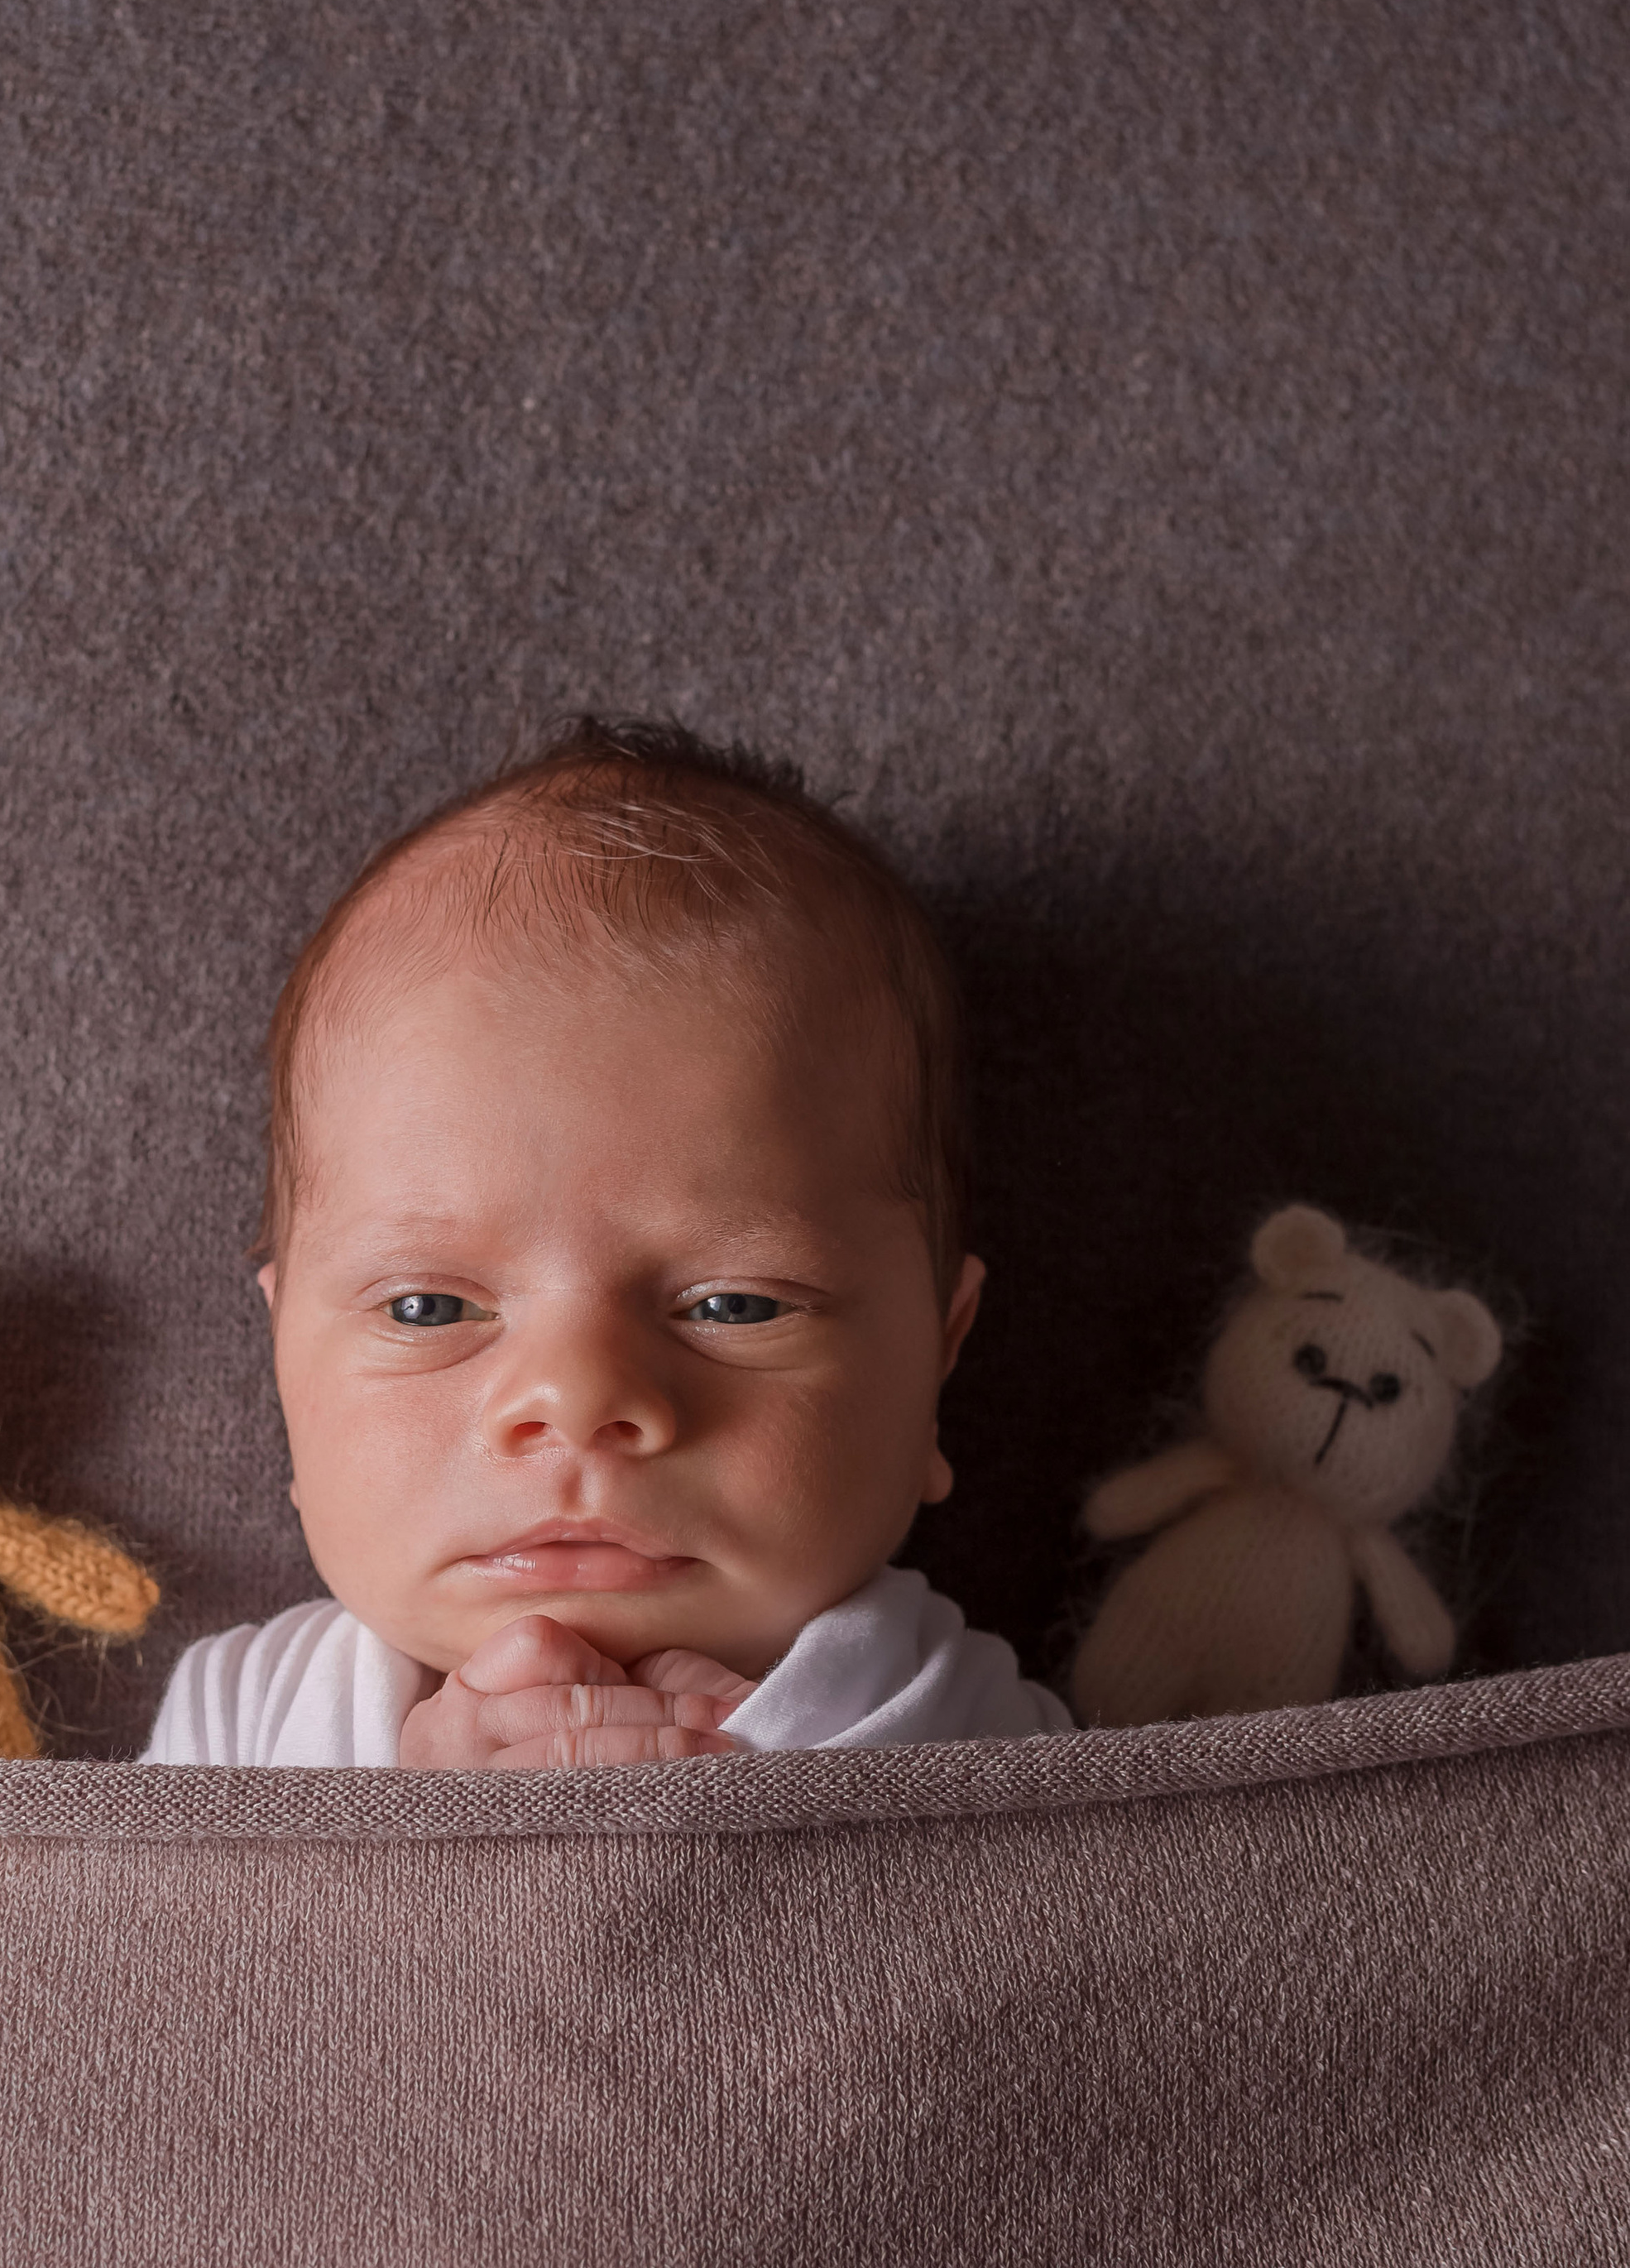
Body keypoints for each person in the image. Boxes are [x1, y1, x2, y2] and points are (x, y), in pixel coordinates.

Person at [143, 718, 1071, 1769]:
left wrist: (765, 1814)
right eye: (426, 1309)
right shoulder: (241, 1718)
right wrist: (415, 1838)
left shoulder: (973, 1737)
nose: (577, 1398)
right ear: (284, 1365)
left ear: (938, 1355)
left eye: (733, 1306)